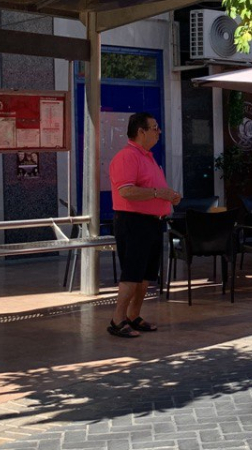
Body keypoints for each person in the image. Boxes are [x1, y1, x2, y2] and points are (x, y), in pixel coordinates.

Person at [107, 112, 180, 338]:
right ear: (141, 131)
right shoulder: (127, 156)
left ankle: (134, 315)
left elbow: (151, 189)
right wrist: (159, 192)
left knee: (146, 274)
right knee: (132, 274)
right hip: (133, 222)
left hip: (153, 223)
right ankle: (117, 319)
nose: (158, 131)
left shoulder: (147, 157)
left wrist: (169, 197)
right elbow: (126, 191)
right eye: (154, 127)